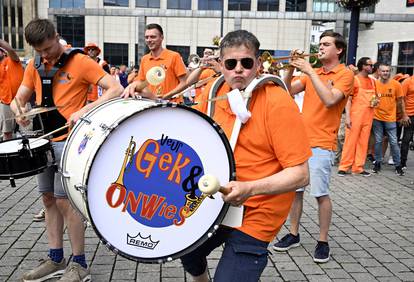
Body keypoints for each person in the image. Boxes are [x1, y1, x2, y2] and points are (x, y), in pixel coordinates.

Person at [180, 30, 311, 282]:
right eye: (231, 63)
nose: (238, 69)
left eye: (246, 62)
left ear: (259, 65)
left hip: (258, 208)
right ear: (221, 65)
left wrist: (249, 188)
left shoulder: (278, 102)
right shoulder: (213, 94)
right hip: (219, 200)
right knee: (185, 247)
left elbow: (301, 174)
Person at [11, 18, 123, 282]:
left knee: (65, 201)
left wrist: (83, 111)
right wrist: (19, 113)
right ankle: (55, 258)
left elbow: (115, 88)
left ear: (57, 36)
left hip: (70, 142)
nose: (45, 55)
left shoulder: (81, 61)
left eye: (48, 49)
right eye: (39, 51)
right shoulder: (34, 65)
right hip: (42, 140)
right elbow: (20, 97)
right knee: (48, 199)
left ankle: (80, 263)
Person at [274, 31, 354, 263]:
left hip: (322, 142)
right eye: (319, 44)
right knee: (295, 191)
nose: (320, 48)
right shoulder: (315, 73)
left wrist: (308, 70)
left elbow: (330, 100)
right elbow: (287, 91)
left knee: (320, 194)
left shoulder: (345, 75)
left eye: (326, 44)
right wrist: (290, 68)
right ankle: (293, 234)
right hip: (301, 140)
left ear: (338, 50)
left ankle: (322, 241)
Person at [123, 23, 188, 102]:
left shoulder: (174, 56)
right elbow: (141, 83)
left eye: (153, 37)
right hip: (151, 106)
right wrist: (133, 85)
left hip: (172, 106)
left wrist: (167, 96)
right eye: (146, 37)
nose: (149, 40)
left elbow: (184, 83)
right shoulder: (145, 59)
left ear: (162, 37)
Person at [338, 57, 377, 176]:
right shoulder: (354, 80)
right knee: (350, 141)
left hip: (368, 115)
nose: (371, 67)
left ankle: (358, 167)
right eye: (369, 65)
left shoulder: (373, 81)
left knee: (363, 142)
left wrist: (376, 101)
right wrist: (348, 117)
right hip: (355, 115)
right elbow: (348, 100)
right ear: (362, 66)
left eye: (371, 65)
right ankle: (344, 167)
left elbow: (375, 96)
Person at [371, 63, 405, 175]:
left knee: (394, 142)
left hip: (391, 118)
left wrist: (402, 115)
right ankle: (377, 163)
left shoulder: (396, 85)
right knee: (378, 141)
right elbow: (372, 99)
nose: (385, 73)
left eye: (387, 71)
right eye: (383, 71)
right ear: (379, 72)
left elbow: (400, 101)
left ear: (390, 72)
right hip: (377, 117)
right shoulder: (374, 84)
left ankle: (398, 165)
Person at [0, 39, 24, 141]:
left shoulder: (12, 59)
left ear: (3, 52)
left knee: (26, 131)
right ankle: (9, 155)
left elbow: (11, 50)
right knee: (6, 133)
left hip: (22, 100)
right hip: (5, 102)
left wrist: (1, 42)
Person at [400, 74, 414, 169]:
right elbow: (401, 99)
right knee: (406, 139)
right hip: (410, 114)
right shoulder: (407, 82)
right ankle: (402, 162)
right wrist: (404, 115)